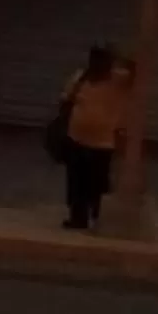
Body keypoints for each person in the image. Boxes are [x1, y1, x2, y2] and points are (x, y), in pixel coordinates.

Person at [59, 44, 132, 231]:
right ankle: (78, 218)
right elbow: (67, 98)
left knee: (98, 183)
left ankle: (99, 218)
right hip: (76, 138)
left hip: (102, 143)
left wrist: (121, 61)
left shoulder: (117, 80)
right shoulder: (81, 77)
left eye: (103, 60)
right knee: (76, 182)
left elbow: (135, 70)